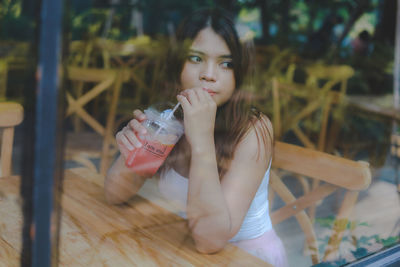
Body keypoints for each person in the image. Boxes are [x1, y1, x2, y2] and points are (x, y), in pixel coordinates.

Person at [104, 7, 288, 267]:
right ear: (177, 65)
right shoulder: (170, 119)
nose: (208, 74)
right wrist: (132, 151)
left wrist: (201, 141)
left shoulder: (253, 129)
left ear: (241, 73)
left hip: (244, 258)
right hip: (181, 249)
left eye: (226, 63)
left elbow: (209, 241)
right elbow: (114, 194)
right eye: (195, 58)